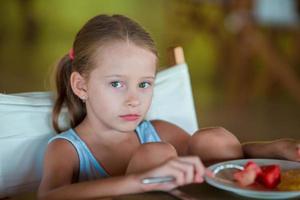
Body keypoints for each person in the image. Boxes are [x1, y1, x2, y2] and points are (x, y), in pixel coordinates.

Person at [38, 14, 300, 200]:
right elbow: (49, 196)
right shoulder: (67, 149)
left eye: (144, 84)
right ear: (81, 86)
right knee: (154, 155)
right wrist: (139, 182)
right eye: (117, 84)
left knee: (214, 139)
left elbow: (217, 162)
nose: (134, 99)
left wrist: (272, 148)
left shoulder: (157, 131)